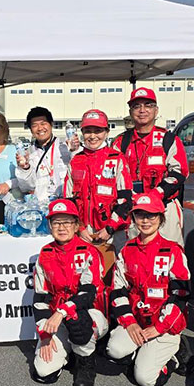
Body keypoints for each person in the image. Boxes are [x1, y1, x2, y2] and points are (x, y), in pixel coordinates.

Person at [107, 193, 191, 386]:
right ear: (134, 218)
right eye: (140, 215)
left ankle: (174, 357)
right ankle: (142, 352)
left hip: (164, 324)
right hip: (137, 320)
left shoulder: (172, 250)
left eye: (151, 215)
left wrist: (160, 328)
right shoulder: (127, 250)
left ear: (161, 219)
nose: (145, 221)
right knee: (114, 350)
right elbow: (118, 290)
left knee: (146, 379)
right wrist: (129, 323)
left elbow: (182, 295)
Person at [31, 198, 108, 386]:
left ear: (76, 226)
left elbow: (88, 293)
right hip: (58, 320)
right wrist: (45, 334)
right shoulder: (45, 253)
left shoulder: (88, 251)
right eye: (57, 222)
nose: (62, 227)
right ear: (49, 226)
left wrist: (61, 312)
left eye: (67, 222)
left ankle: (86, 362)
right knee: (43, 372)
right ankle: (69, 352)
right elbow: (40, 297)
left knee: (76, 318)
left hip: (90, 314)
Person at [114, 87, 189, 244]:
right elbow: (113, 175)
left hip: (164, 208)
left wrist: (156, 195)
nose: (142, 110)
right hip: (134, 209)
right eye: (136, 106)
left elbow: (179, 173)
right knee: (134, 257)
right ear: (130, 111)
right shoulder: (120, 142)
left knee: (169, 255)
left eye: (148, 105)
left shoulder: (169, 139)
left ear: (156, 110)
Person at [61, 109, 132, 273]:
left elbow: (126, 199)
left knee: (115, 277)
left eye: (98, 131)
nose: (92, 136)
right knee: (85, 277)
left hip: (113, 233)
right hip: (83, 233)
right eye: (88, 131)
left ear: (106, 132)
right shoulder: (76, 161)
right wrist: (79, 228)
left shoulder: (117, 158)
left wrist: (110, 228)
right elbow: (68, 201)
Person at [15, 106, 70, 203]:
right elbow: (26, 188)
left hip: (65, 206)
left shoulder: (65, 147)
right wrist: (25, 168)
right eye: (35, 125)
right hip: (42, 206)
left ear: (51, 124)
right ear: (31, 130)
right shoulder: (28, 153)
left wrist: (74, 151)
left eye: (43, 123)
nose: (40, 128)